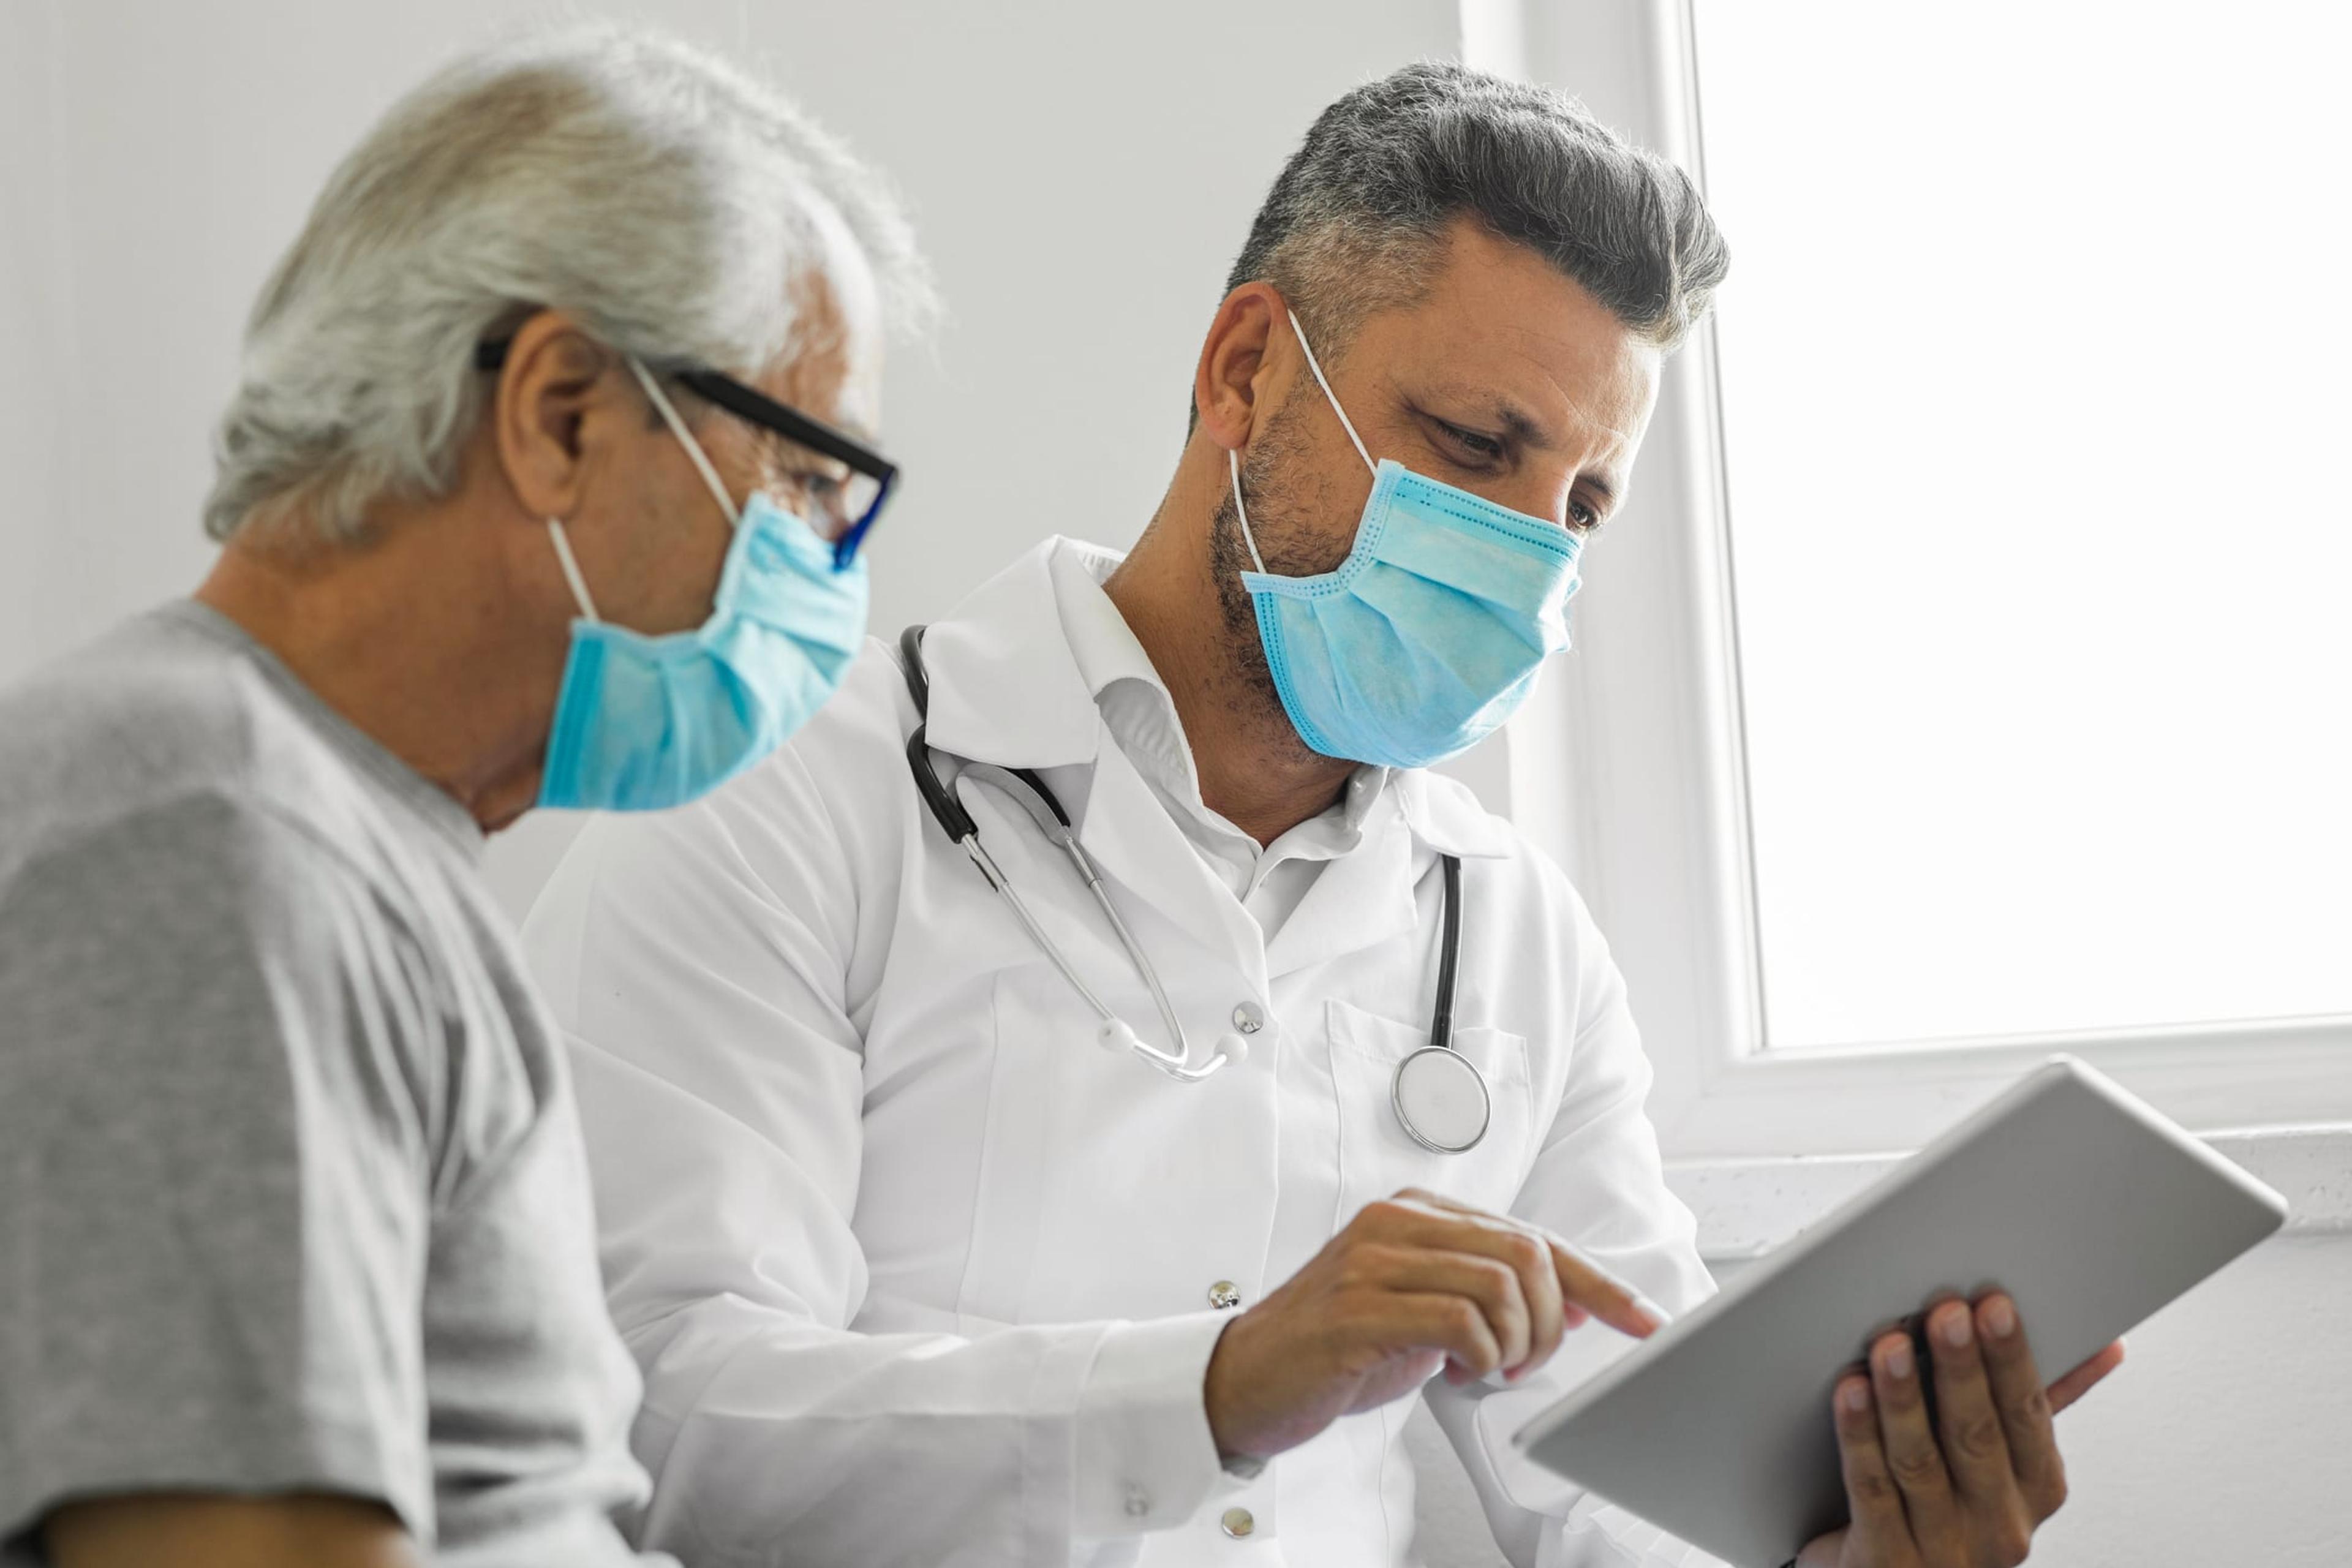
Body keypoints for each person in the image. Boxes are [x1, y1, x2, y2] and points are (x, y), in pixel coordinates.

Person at [521, 63, 2120, 1567]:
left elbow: (1617, 1492)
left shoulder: (1513, 937)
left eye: (1579, 503)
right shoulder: (787, 793)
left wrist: (1842, 1544)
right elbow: (669, 1418)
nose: (1528, 554)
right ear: (1243, 373)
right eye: (1475, 448)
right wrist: (1215, 1386)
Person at [0, 25, 929, 1568]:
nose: (832, 571)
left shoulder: (340, 840)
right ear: (561, 410)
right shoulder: (211, 842)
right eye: (810, 481)